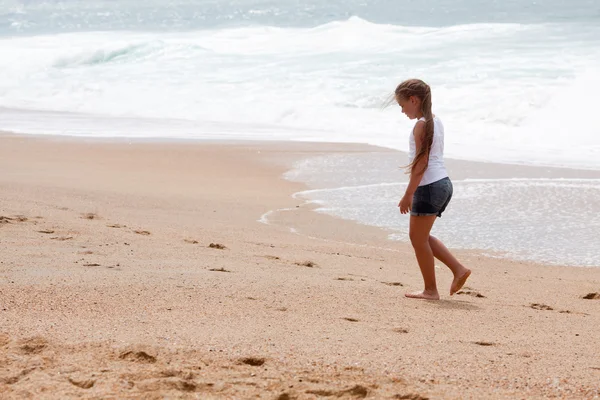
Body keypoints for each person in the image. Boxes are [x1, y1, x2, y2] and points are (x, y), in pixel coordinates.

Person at [394, 79, 471, 300]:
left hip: (428, 186)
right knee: (422, 236)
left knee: (417, 239)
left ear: (413, 100)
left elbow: (421, 163)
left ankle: (431, 290)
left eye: (402, 105)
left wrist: (408, 194)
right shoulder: (435, 121)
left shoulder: (421, 124)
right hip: (442, 184)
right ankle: (458, 270)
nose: (402, 110)